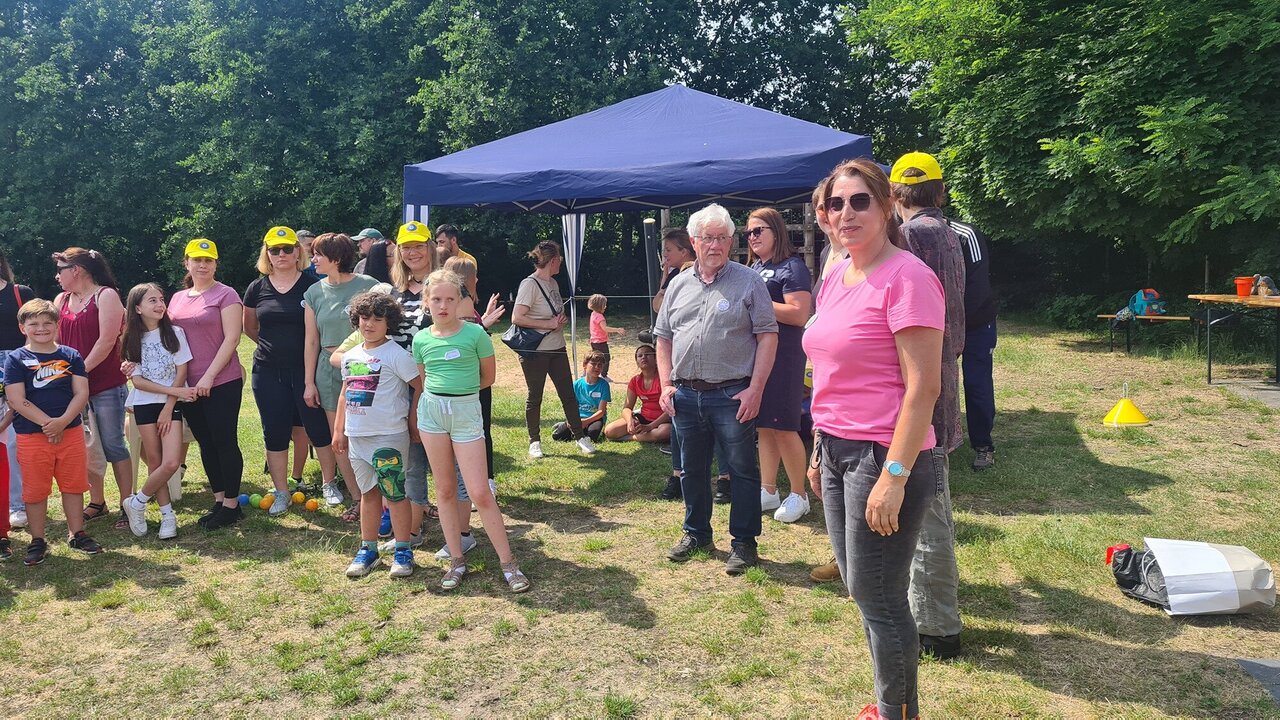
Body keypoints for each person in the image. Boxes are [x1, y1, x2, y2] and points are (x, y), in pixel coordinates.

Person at [803, 158, 944, 720]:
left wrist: (893, 477)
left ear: (887, 207)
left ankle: (897, 712)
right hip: (836, 452)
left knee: (882, 600)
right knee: (864, 591)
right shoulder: (839, 271)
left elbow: (923, 389)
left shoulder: (908, 277)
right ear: (823, 215)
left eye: (860, 200)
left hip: (883, 457)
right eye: (836, 203)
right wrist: (818, 449)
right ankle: (893, 705)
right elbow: (831, 375)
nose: (847, 213)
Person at [654, 203, 778, 575]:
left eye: (723, 238)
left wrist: (756, 388)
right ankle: (697, 533)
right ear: (694, 241)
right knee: (691, 469)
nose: (716, 245)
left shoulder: (749, 281)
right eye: (708, 238)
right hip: (686, 395)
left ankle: (744, 542)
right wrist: (665, 385)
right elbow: (663, 338)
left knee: (741, 470)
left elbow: (768, 335)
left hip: (731, 394)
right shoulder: (678, 284)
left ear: (730, 241)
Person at [890, 151, 967, 661]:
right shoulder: (952, 233)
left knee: (929, 511)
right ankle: (934, 614)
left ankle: (938, 627)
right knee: (931, 504)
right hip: (942, 374)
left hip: (925, 387)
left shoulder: (914, 237)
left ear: (894, 198)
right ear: (939, 192)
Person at [414, 269, 529, 593]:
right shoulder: (421, 339)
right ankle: (456, 561)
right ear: (427, 302)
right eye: (436, 299)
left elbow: (487, 378)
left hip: (465, 414)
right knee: (445, 491)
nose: (443, 305)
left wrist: (459, 396)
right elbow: (424, 381)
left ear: (461, 301)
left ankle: (509, 563)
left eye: (450, 299)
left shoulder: (476, 334)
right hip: (432, 416)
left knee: (479, 492)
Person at [243, 227, 340, 514]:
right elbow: (249, 327)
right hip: (268, 371)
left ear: (299, 252)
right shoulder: (256, 288)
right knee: (273, 430)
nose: (282, 254)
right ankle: (281, 491)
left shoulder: (313, 285)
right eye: (275, 250)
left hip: (307, 370)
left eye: (288, 249)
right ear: (267, 254)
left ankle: (329, 483)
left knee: (317, 427)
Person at [4, 298, 103, 564]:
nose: (41, 328)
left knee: (73, 485)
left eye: (47, 323)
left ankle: (77, 532)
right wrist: (49, 423)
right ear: (22, 327)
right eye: (33, 323)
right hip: (32, 435)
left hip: (69, 432)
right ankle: (38, 539)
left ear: (57, 325)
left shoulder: (70, 355)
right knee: (35, 490)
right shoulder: (16, 359)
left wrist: (63, 422)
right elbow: (16, 399)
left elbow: (81, 392)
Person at [334, 291, 423, 578]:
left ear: (389, 323)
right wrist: (339, 430)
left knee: (395, 494)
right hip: (357, 438)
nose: (369, 324)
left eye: (377, 319)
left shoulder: (396, 355)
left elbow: (420, 386)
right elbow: (345, 393)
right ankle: (368, 549)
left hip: (388, 436)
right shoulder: (350, 356)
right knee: (368, 495)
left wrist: (413, 422)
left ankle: (403, 550)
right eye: (364, 318)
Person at [51, 247, 133, 530]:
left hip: (106, 385)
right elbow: (55, 342)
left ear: (77, 271)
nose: (57, 276)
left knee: (113, 444)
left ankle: (127, 504)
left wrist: (78, 372)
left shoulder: (106, 296)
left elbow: (107, 342)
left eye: (61, 270)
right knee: (86, 447)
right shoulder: (61, 299)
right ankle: (97, 501)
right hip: (73, 387)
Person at [167, 239, 246, 531]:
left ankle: (232, 505)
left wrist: (209, 376)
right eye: (197, 260)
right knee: (205, 442)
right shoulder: (176, 298)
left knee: (224, 440)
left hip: (221, 380)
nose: (202, 265)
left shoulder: (226, 294)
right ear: (186, 262)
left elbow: (232, 339)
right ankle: (218, 498)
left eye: (208, 260)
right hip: (187, 385)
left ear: (215, 264)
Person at [746, 207, 814, 524]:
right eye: (748, 233)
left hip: (785, 358)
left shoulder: (793, 267)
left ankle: (799, 494)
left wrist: (758, 303)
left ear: (776, 231)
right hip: (758, 358)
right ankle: (768, 489)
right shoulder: (755, 268)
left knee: (785, 427)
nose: (752, 237)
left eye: (758, 230)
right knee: (764, 427)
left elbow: (799, 314)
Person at [303, 232, 377, 518]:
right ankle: (358, 498)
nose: (313, 259)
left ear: (335, 258)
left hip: (365, 368)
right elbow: (311, 340)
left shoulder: (368, 286)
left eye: (318, 254)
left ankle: (381, 495)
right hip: (327, 368)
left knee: (368, 433)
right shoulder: (313, 292)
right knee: (340, 437)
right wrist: (310, 382)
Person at [119, 283, 195, 539]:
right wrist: (178, 393)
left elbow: (182, 371)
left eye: (161, 299)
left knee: (171, 462)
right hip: (143, 404)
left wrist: (169, 404)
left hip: (169, 406)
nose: (160, 304)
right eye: (152, 301)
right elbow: (138, 382)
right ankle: (167, 516)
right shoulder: (131, 339)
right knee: (155, 461)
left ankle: (136, 502)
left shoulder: (175, 333)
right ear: (137, 308)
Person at [511, 241, 595, 459]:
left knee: (568, 393)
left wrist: (560, 319)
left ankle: (580, 437)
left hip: (557, 347)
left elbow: (553, 312)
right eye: (560, 260)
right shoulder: (529, 284)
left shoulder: (554, 284)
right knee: (534, 396)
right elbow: (517, 317)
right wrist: (548, 324)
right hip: (535, 351)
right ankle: (534, 442)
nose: (561, 264)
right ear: (554, 260)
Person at [948, 216, 997, 471]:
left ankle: (983, 446)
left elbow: (978, 286)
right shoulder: (904, 232)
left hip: (976, 323)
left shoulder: (965, 234)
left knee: (976, 383)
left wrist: (955, 325)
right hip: (937, 325)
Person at [0, 250, 36, 531]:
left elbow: (40, 330)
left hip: (17, 367)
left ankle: (17, 505)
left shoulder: (19, 293)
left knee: (13, 439)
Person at [603, 344, 671, 445]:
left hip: (662, 421)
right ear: (637, 362)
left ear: (656, 358)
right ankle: (648, 436)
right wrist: (630, 421)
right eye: (640, 356)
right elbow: (627, 407)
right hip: (643, 418)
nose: (643, 357)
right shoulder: (635, 381)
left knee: (666, 431)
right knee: (609, 431)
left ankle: (631, 438)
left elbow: (670, 410)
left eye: (647, 354)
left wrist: (650, 426)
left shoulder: (664, 379)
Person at [553, 351, 610, 442]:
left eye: (600, 365)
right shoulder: (576, 384)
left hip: (595, 418)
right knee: (558, 436)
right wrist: (572, 420)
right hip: (578, 418)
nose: (597, 367)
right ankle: (563, 425)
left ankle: (592, 431)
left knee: (592, 435)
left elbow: (601, 411)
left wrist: (586, 421)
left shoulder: (604, 385)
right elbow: (571, 407)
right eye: (593, 364)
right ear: (585, 365)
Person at [587, 294, 625, 380]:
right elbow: (605, 328)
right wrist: (617, 329)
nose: (605, 307)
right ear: (599, 306)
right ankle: (603, 376)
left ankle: (588, 372)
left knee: (595, 358)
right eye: (604, 305)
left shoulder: (593, 314)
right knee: (605, 358)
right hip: (600, 342)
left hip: (594, 341)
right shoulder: (600, 317)